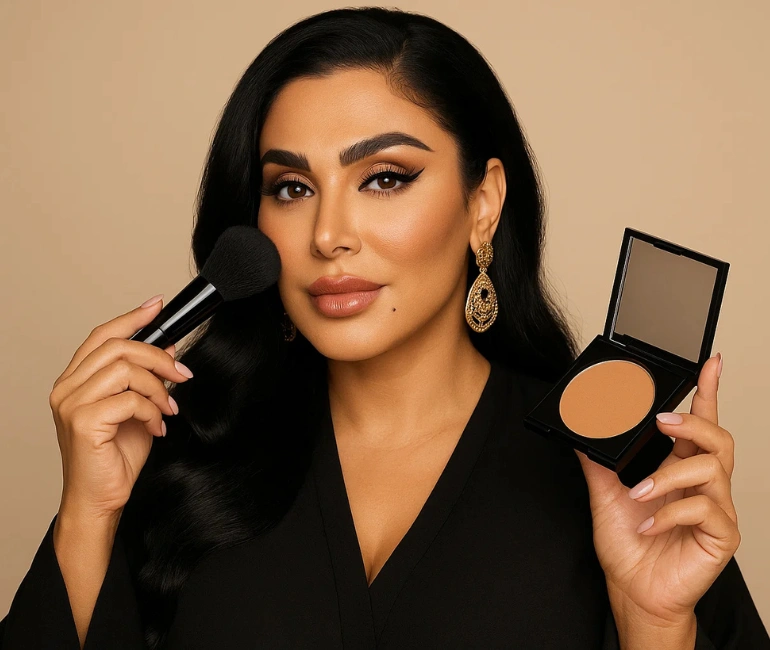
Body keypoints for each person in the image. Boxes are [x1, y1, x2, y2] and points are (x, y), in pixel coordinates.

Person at [1, 7, 768, 650]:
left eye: (385, 178)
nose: (327, 235)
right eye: (292, 187)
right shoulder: (178, 457)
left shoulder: (625, 477)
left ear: (483, 204)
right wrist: (88, 515)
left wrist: (653, 623)